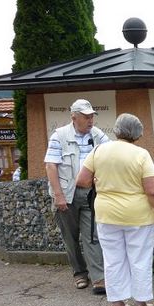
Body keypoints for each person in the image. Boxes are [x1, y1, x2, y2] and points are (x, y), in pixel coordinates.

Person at [76, 113, 154, 306]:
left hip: (106, 214)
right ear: (137, 134)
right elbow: (152, 191)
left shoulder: (99, 150)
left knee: (113, 260)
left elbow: (82, 180)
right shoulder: (141, 155)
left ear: (117, 130)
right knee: (139, 260)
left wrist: (100, 182)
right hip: (138, 216)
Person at [44, 99, 110, 294]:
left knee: (92, 236)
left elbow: (111, 155)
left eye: (92, 116)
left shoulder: (97, 135)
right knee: (71, 237)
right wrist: (58, 196)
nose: (90, 120)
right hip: (66, 194)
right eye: (86, 117)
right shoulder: (59, 136)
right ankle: (79, 273)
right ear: (74, 117)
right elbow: (51, 166)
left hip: (90, 193)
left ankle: (98, 278)